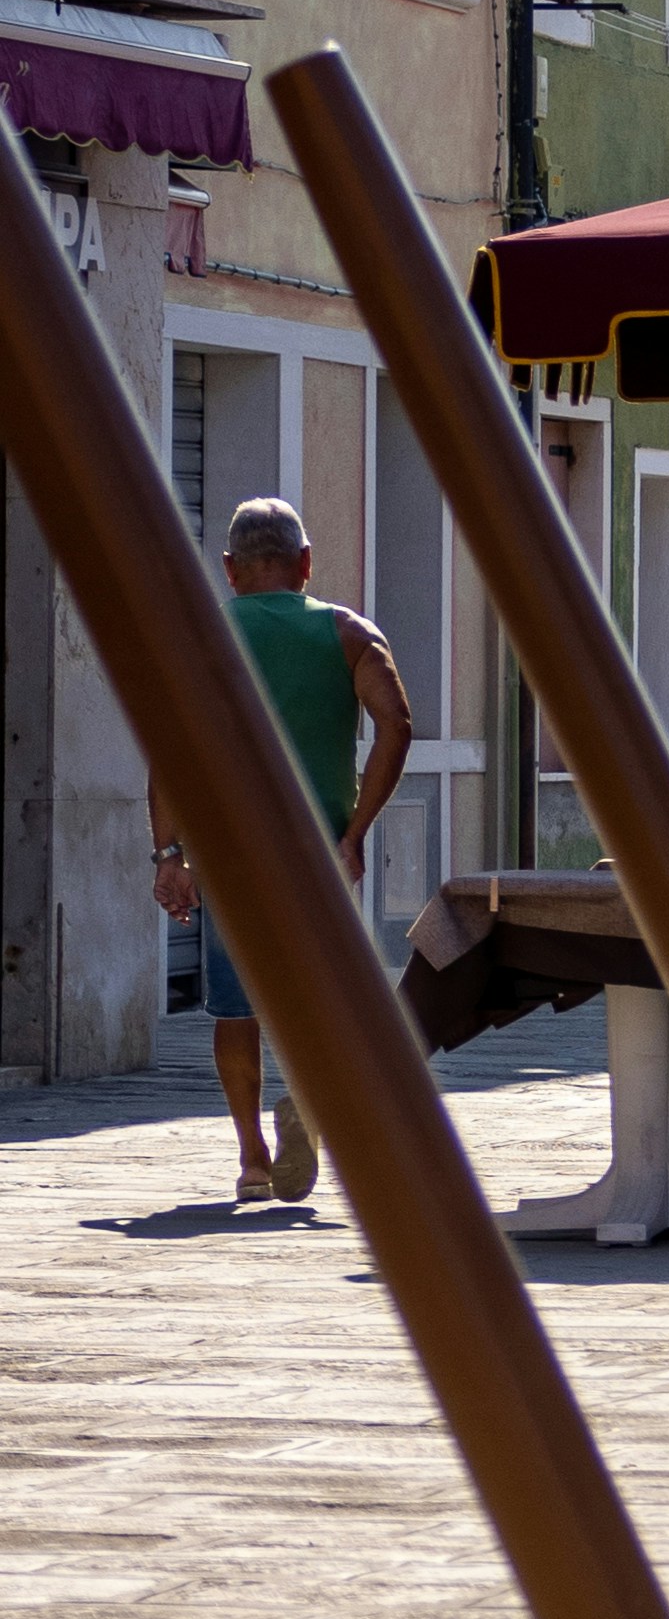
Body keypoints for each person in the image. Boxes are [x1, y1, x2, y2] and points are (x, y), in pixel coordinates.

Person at [149, 498, 416, 1217]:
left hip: (229, 856)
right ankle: (304, 1095)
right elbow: (396, 724)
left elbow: (170, 750)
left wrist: (170, 854)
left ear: (230, 570)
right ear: (304, 565)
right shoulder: (349, 633)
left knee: (239, 1012)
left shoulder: (201, 635)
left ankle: (252, 1164)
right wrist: (355, 833)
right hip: (322, 853)